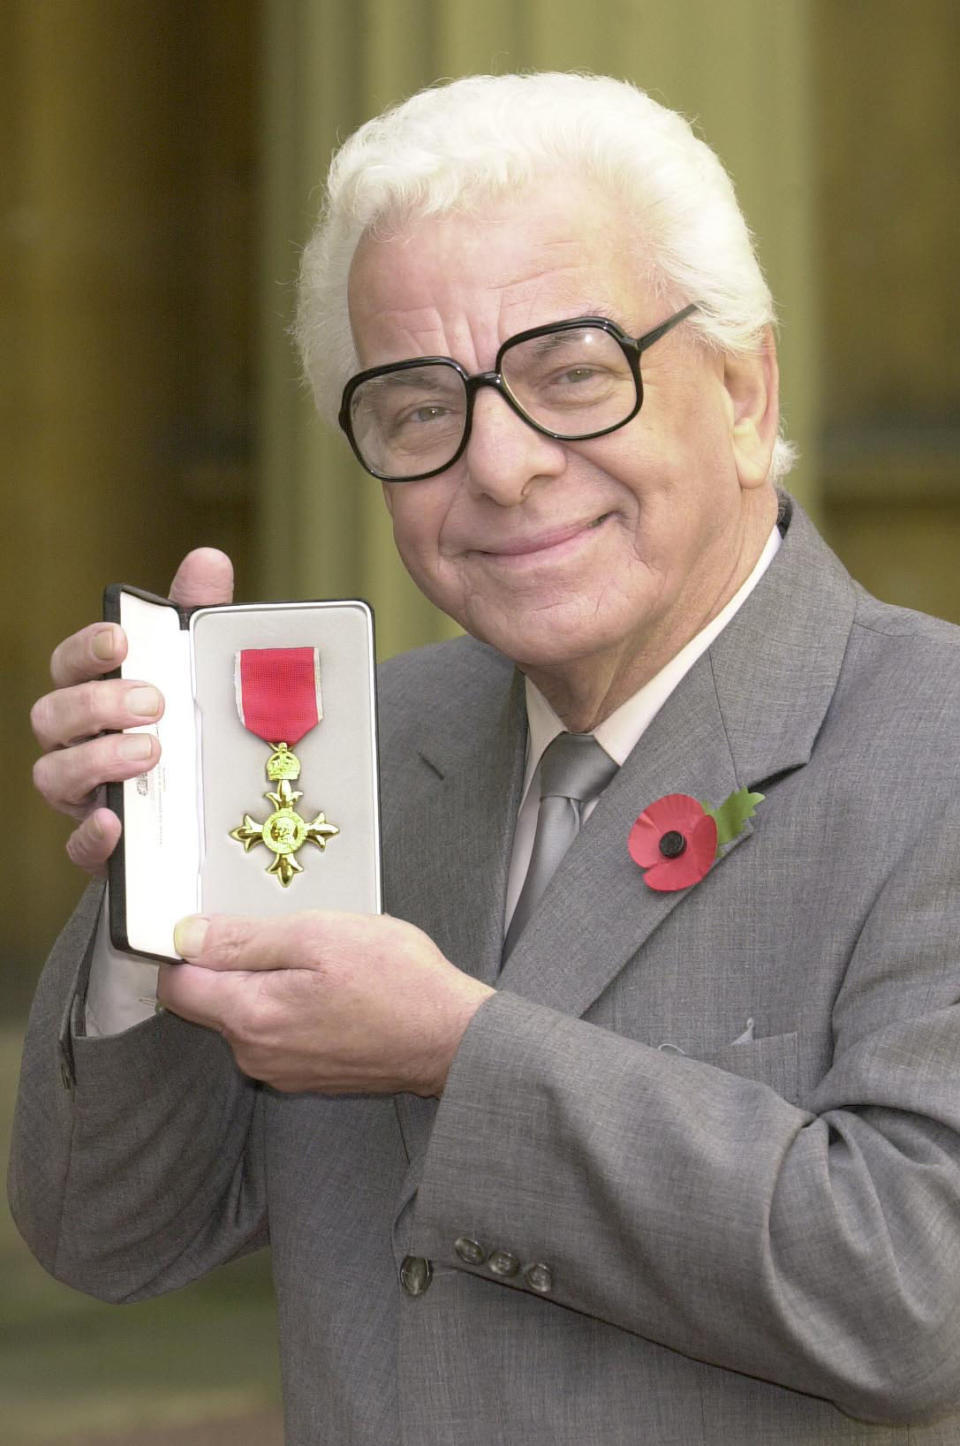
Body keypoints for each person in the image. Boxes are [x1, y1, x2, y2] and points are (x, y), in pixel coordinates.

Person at [11, 71, 960, 1445]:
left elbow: (915, 1293)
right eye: (415, 408)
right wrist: (149, 900)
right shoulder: (350, 758)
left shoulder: (932, 745)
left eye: (572, 373)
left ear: (746, 391)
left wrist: (459, 1053)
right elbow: (106, 1235)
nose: (501, 466)